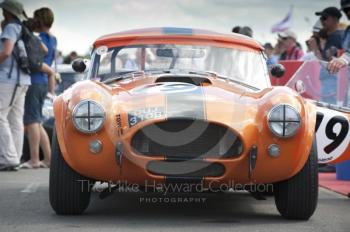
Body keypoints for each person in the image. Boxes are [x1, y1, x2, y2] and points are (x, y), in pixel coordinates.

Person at [21, 7, 56, 169]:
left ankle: (34, 159)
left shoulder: (36, 38)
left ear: (39, 20)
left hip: (34, 80)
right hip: (43, 82)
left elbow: (34, 59)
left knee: (31, 121)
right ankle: (48, 158)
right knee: (37, 121)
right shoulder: (52, 39)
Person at [0, 0, 30, 171]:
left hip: (9, 79)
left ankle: (9, 158)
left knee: (0, 116)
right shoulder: (24, 29)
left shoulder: (11, 27)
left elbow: (6, 51)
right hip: (23, 79)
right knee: (15, 119)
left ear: (8, 12)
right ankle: (15, 156)